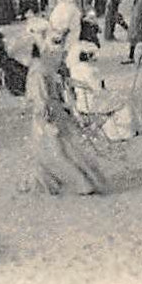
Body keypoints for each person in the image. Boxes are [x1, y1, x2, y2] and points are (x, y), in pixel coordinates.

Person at [24, 24, 108, 196]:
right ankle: (78, 182)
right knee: (56, 150)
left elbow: (45, 95)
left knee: (58, 151)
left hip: (51, 112)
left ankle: (83, 184)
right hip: (53, 112)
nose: (59, 48)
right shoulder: (45, 67)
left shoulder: (44, 67)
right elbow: (44, 96)